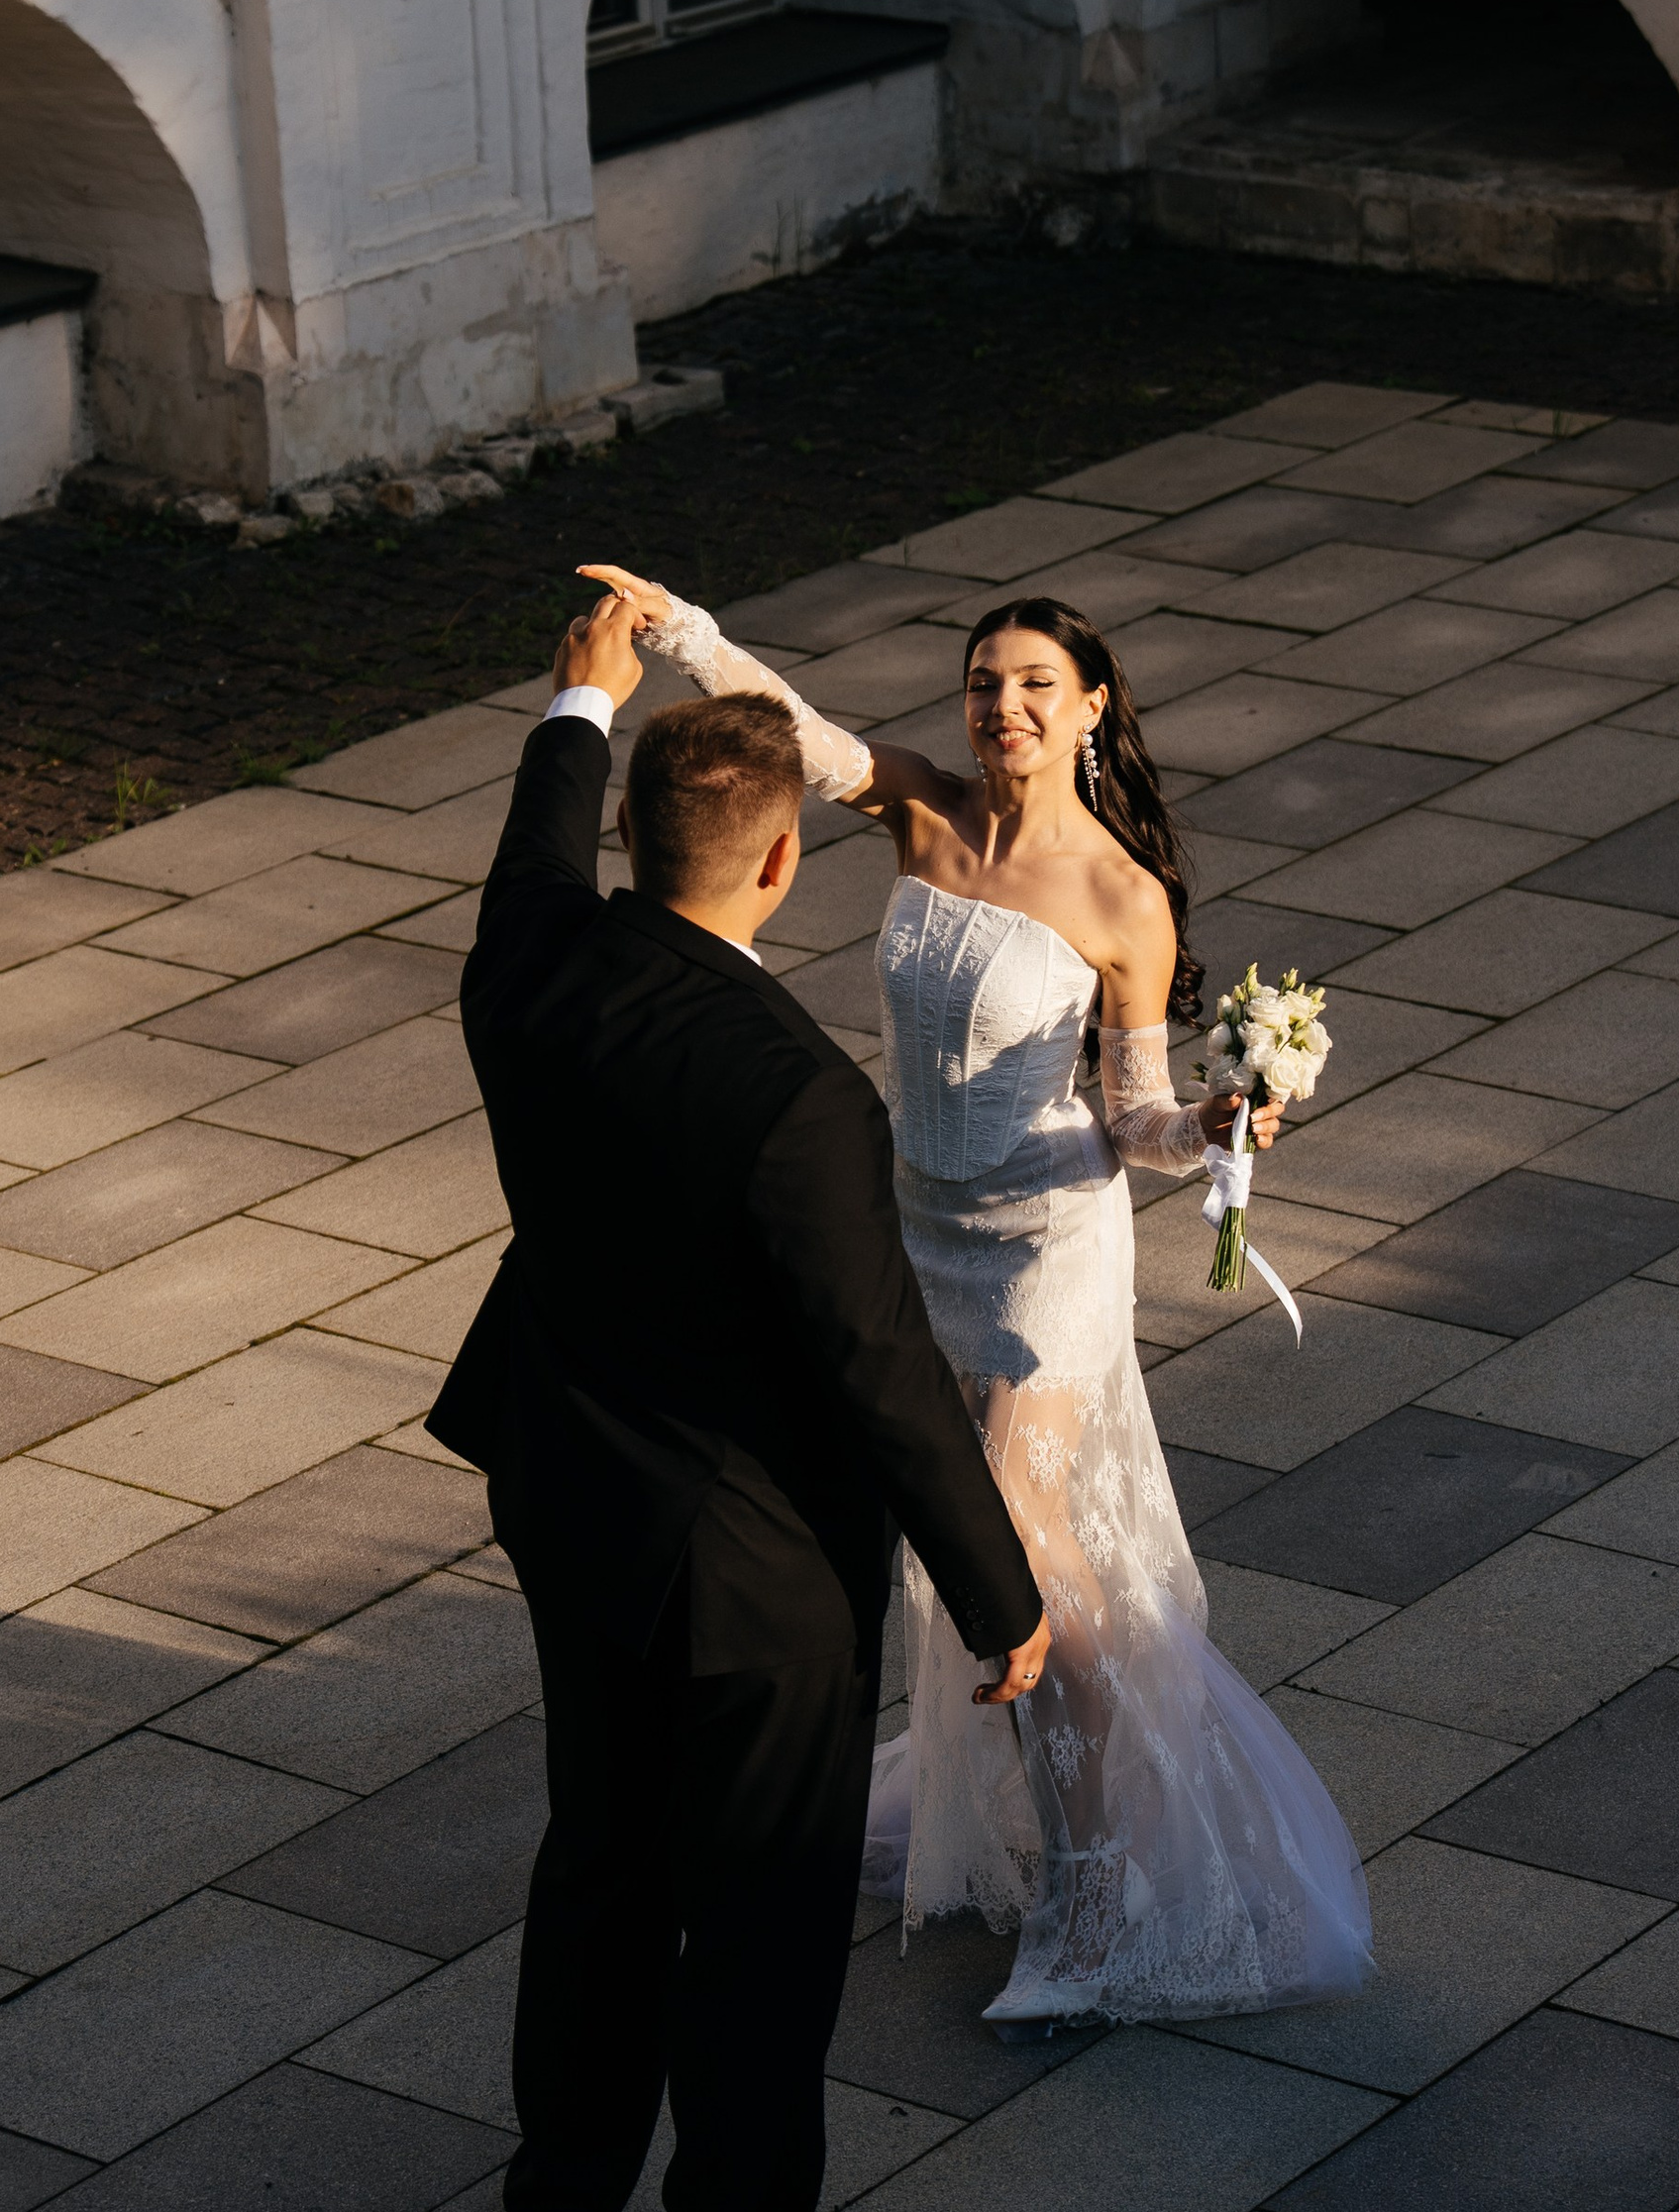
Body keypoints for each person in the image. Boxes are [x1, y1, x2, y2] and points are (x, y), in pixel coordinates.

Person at [579, 564, 1373, 2036]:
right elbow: (792, 729)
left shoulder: (1122, 896)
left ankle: (1096, 1898)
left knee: (1020, 1546)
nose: (1002, 708)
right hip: (910, 1236)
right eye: (984, 682)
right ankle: (1044, 1822)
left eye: (1034, 687)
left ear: (1090, 712)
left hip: (1046, 1254)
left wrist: (1207, 1132)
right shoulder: (922, 809)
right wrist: (682, 632)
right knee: (970, 1564)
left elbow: (1130, 1115)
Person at [430, 591, 1049, 2212]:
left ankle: (559, 2204)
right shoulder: (795, 1098)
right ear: (782, 862)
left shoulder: (532, 962)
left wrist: (579, 691)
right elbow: (882, 1376)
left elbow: (534, 837)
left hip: (568, 1497)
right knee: (764, 1922)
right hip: (749, 1570)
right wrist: (1000, 1599)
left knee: (602, 1855)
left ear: (637, 842)